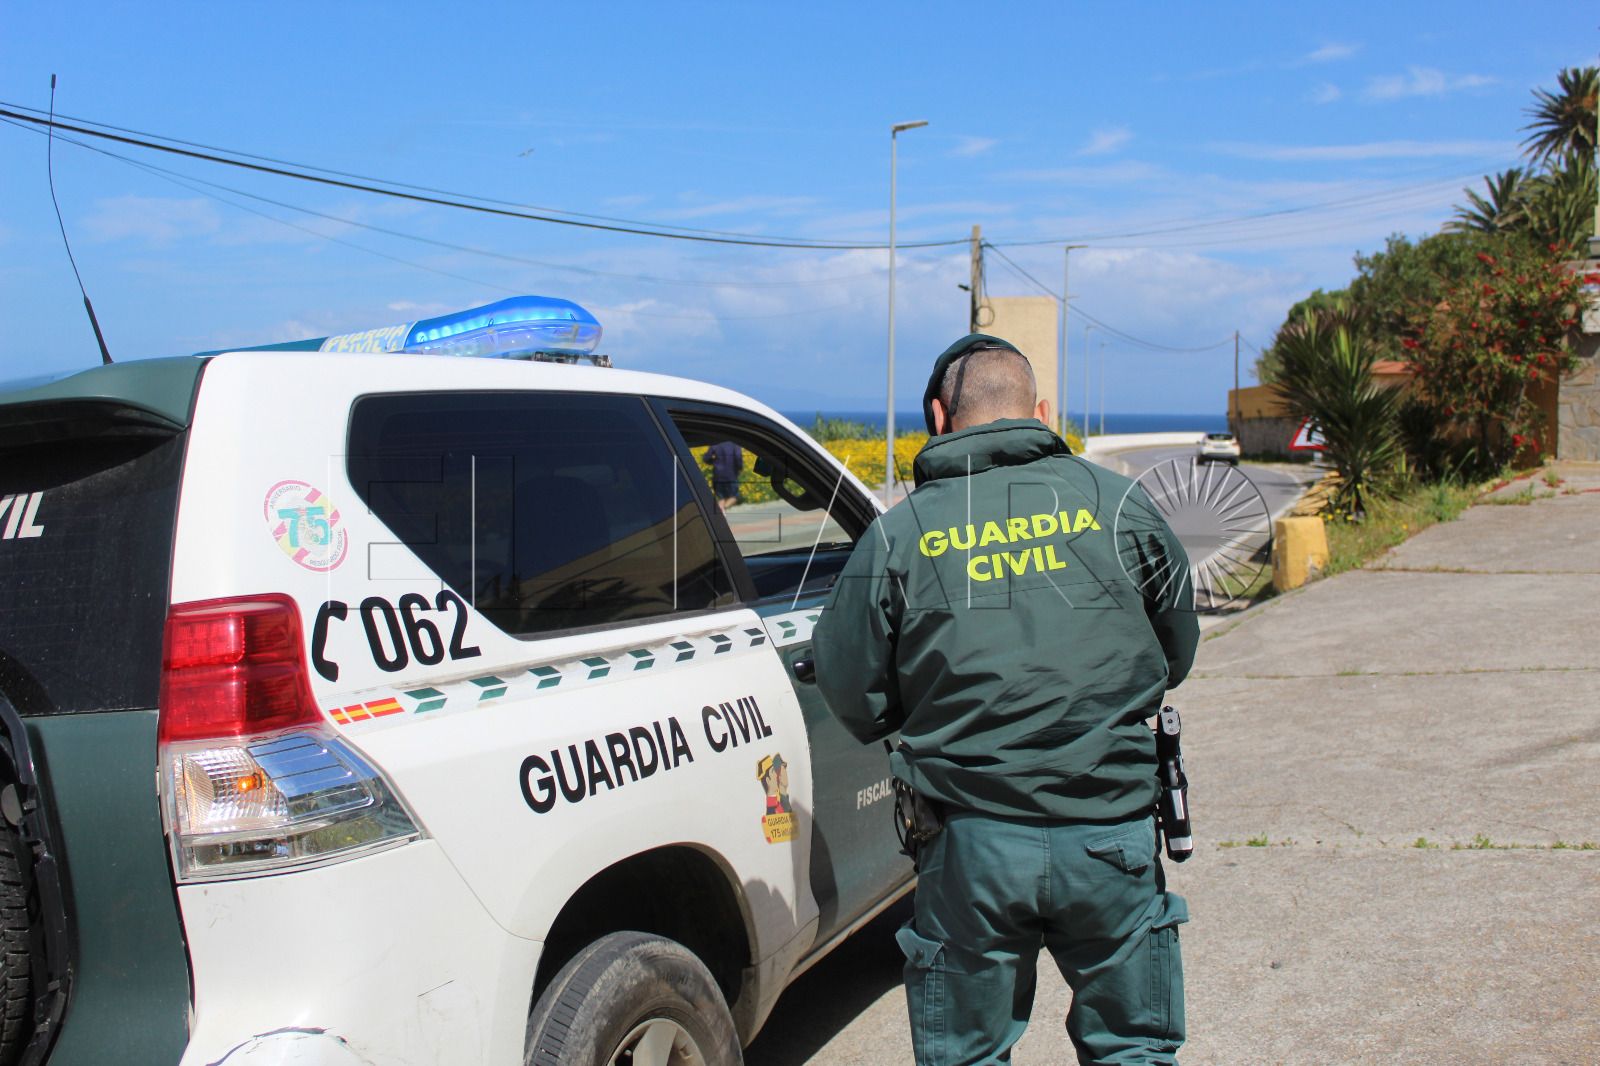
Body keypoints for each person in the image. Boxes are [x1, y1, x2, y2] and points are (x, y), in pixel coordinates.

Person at [812, 334, 1199, 1066]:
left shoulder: (899, 535)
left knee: (967, 1056)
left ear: (937, 415)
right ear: (1042, 412)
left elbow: (852, 695)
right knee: (1134, 1053)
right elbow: (1176, 651)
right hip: (1111, 832)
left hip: (970, 847)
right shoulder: (1119, 505)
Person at [705, 440, 743, 511]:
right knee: (734, 497)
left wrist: (713, 461)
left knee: (721, 498)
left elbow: (706, 458)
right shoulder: (735, 444)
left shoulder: (715, 444)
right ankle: (722, 510)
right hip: (731, 475)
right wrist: (739, 468)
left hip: (718, 476)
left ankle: (719, 513)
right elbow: (738, 457)